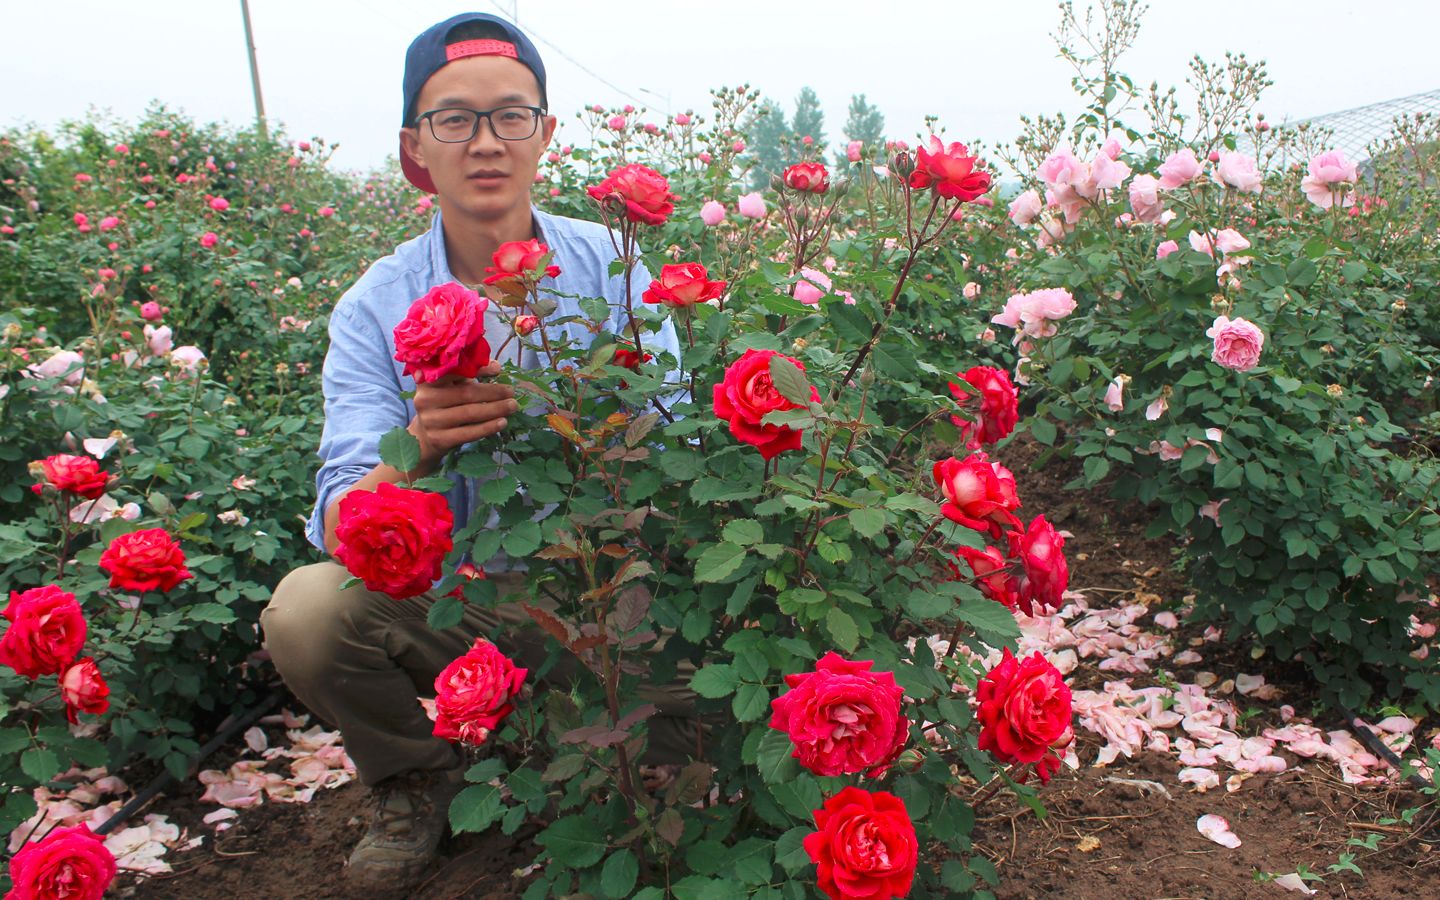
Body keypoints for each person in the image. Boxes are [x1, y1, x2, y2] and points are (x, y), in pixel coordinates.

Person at [259, 12, 688, 892]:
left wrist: (589, 422)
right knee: (308, 613)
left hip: (620, 592)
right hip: (467, 607)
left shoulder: (616, 269)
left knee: (716, 729)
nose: (485, 142)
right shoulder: (375, 308)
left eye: (511, 116)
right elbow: (342, 517)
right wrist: (414, 447)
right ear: (416, 147)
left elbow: (680, 451)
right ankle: (416, 779)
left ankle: (617, 747)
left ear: (546, 134)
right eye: (454, 118)